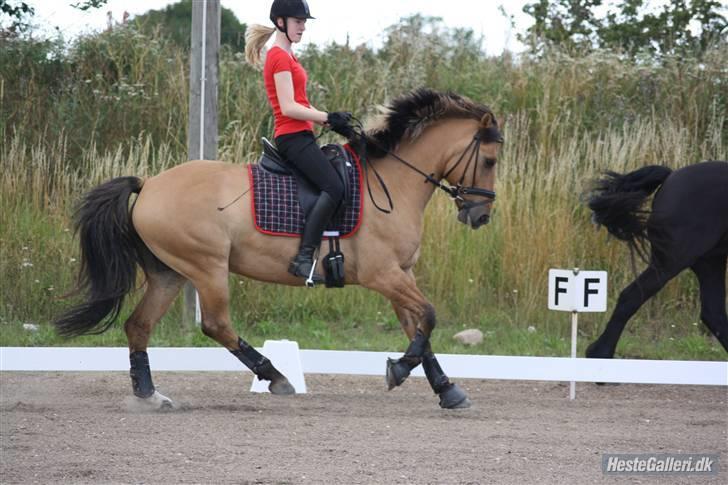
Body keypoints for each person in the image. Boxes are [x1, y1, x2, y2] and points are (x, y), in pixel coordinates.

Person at [245, 0, 352, 285]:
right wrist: (326, 116)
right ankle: (304, 258)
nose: (303, 26)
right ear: (281, 22)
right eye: (298, 21)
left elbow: (301, 103)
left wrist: (334, 123)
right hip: (292, 138)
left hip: (300, 134)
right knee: (334, 186)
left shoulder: (289, 56)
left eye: (304, 22)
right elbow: (289, 107)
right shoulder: (279, 56)